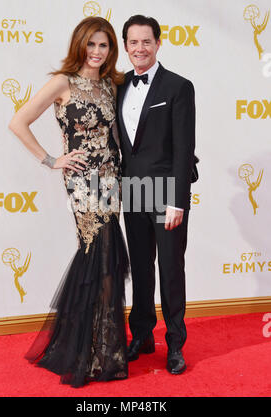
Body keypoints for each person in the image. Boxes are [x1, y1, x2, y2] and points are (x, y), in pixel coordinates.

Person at [9, 16, 129, 388]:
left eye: (104, 45)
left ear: (111, 49)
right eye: (91, 45)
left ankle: (104, 345)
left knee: (109, 256)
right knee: (96, 250)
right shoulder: (63, 82)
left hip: (111, 178)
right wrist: (51, 159)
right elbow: (18, 121)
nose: (97, 52)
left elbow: (117, 135)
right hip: (82, 181)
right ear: (80, 45)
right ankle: (85, 349)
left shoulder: (111, 83)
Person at [117, 15, 196, 375]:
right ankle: (143, 335)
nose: (139, 48)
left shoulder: (179, 86)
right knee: (142, 269)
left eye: (146, 41)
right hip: (132, 188)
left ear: (158, 43)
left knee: (170, 269)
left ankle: (175, 344)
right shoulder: (119, 86)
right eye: (132, 42)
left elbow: (183, 149)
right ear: (126, 46)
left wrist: (178, 199)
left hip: (166, 192)